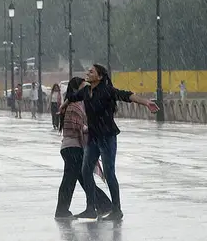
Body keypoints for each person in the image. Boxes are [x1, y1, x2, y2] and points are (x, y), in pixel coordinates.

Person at [64, 64, 159, 221]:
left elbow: (126, 95)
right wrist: (63, 104)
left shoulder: (107, 90)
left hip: (107, 137)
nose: (88, 73)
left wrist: (146, 102)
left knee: (109, 174)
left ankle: (117, 210)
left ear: (99, 76)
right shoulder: (86, 91)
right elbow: (73, 97)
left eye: (91, 71)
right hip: (93, 138)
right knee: (86, 171)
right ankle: (90, 208)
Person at [55, 77, 112, 219]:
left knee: (83, 178)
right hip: (73, 148)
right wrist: (92, 129)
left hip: (72, 147)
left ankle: (101, 205)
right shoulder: (73, 106)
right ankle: (63, 211)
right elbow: (77, 128)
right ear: (76, 89)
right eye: (83, 86)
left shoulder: (77, 104)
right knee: (70, 181)